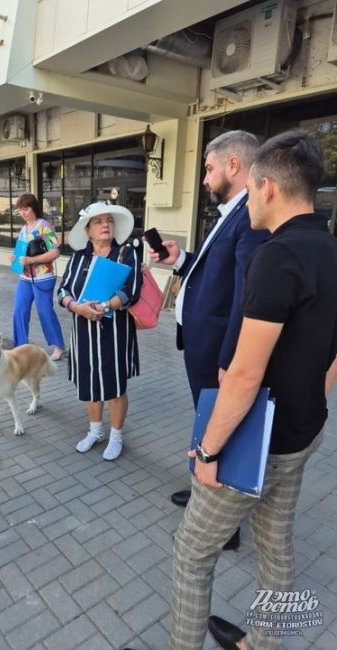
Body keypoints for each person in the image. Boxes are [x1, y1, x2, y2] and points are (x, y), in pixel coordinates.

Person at [169, 129, 337, 650]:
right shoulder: (330, 247)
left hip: (256, 441)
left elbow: (243, 374)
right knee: (275, 545)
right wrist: (316, 393)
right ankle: (263, 643)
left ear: (265, 187)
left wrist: (207, 448)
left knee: (192, 553)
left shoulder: (276, 256)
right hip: (303, 429)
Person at [150, 130, 266, 550]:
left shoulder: (250, 217)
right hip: (201, 345)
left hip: (219, 353)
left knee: (222, 428)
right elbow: (210, 270)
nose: (204, 179)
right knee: (207, 421)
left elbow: (243, 296)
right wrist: (179, 259)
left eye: (208, 168)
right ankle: (205, 494)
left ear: (233, 166)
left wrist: (230, 358)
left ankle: (224, 526)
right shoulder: (231, 212)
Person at [58, 202, 142, 460]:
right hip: (83, 330)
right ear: (88, 229)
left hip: (115, 331)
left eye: (109, 221)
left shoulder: (126, 254)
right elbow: (63, 291)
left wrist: (105, 305)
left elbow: (131, 291)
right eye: (98, 221)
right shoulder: (78, 258)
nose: (105, 225)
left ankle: (116, 435)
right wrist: (75, 306)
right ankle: (96, 431)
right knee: (90, 382)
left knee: (115, 384)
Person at [11, 193, 65, 360]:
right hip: (25, 277)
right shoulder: (23, 229)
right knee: (19, 311)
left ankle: (59, 346)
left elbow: (55, 251)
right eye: (20, 210)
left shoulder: (44, 226)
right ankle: (20, 348)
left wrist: (32, 260)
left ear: (34, 207)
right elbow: (20, 252)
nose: (23, 213)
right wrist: (15, 258)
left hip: (43, 277)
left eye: (25, 208)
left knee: (44, 311)